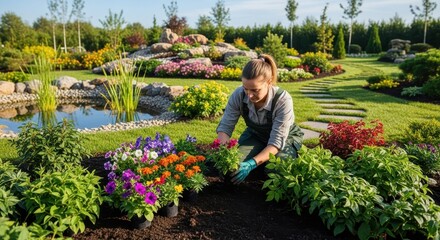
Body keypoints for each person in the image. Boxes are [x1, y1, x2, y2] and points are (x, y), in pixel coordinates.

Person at [216, 54, 304, 184]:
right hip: (256, 135)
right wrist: (225, 153)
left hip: (285, 139)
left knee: (277, 170)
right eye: (246, 89)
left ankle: (263, 165)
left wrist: (251, 164)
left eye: (255, 90)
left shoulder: (282, 100)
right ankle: (260, 164)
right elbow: (225, 127)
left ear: (269, 82)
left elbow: (276, 141)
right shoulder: (239, 95)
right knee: (232, 169)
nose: (249, 95)